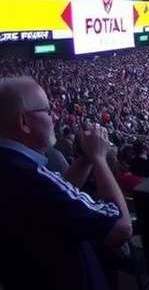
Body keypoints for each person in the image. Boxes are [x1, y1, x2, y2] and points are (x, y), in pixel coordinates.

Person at [0, 76, 133, 290]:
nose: (55, 117)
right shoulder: (31, 176)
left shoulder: (11, 169)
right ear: (24, 122)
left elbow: (54, 201)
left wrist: (86, 158)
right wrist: (99, 158)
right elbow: (120, 227)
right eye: (47, 110)